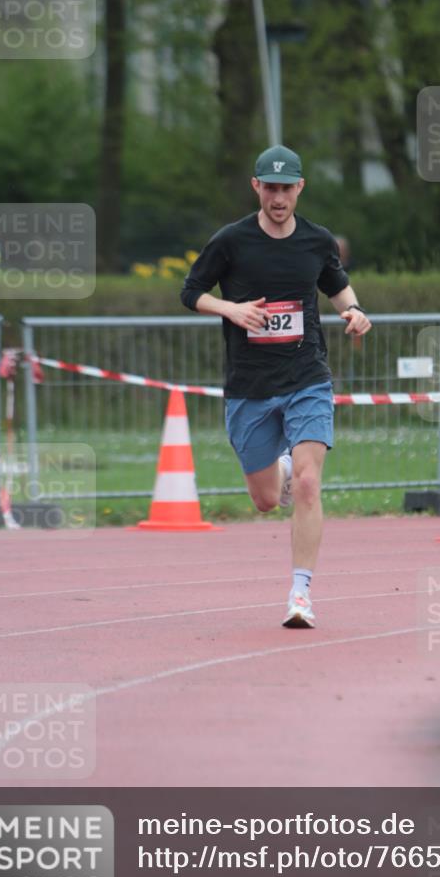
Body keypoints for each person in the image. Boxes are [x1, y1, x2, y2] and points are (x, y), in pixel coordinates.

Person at [180, 145, 371, 629]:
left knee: (309, 482)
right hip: (250, 386)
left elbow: (337, 285)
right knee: (266, 499)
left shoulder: (317, 240)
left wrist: (354, 311)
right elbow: (189, 291)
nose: (279, 197)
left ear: (300, 188)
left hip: (306, 376)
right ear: (257, 187)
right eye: (271, 188)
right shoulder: (231, 241)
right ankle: (279, 466)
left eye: (287, 188)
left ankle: (301, 593)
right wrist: (232, 309)